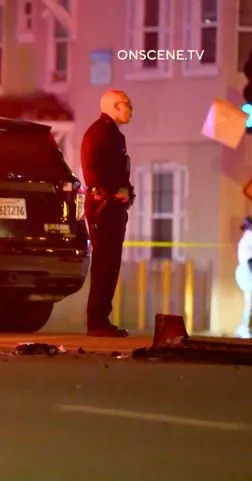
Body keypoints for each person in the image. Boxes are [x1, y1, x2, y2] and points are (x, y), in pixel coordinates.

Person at [81, 90, 135, 337]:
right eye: (127, 104)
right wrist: (114, 192)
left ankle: (101, 317)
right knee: (105, 263)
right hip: (104, 208)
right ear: (115, 106)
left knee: (109, 263)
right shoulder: (102, 134)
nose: (131, 109)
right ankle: (97, 319)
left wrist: (126, 193)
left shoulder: (111, 134)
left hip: (111, 206)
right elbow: (96, 172)